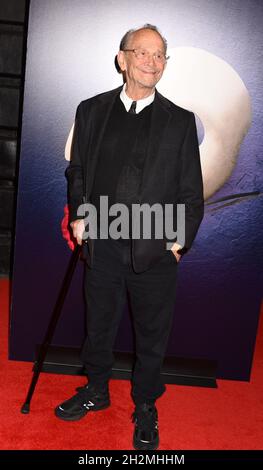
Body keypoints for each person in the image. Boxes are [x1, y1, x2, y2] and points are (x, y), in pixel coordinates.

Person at [55, 24, 204, 450]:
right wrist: (82, 217)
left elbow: (191, 193)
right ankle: (97, 391)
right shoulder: (92, 110)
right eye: (143, 53)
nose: (152, 62)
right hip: (102, 240)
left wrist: (177, 244)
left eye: (160, 56)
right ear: (123, 59)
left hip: (155, 249)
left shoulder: (180, 121)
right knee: (98, 326)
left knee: (152, 335)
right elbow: (77, 170)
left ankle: (145, 406)